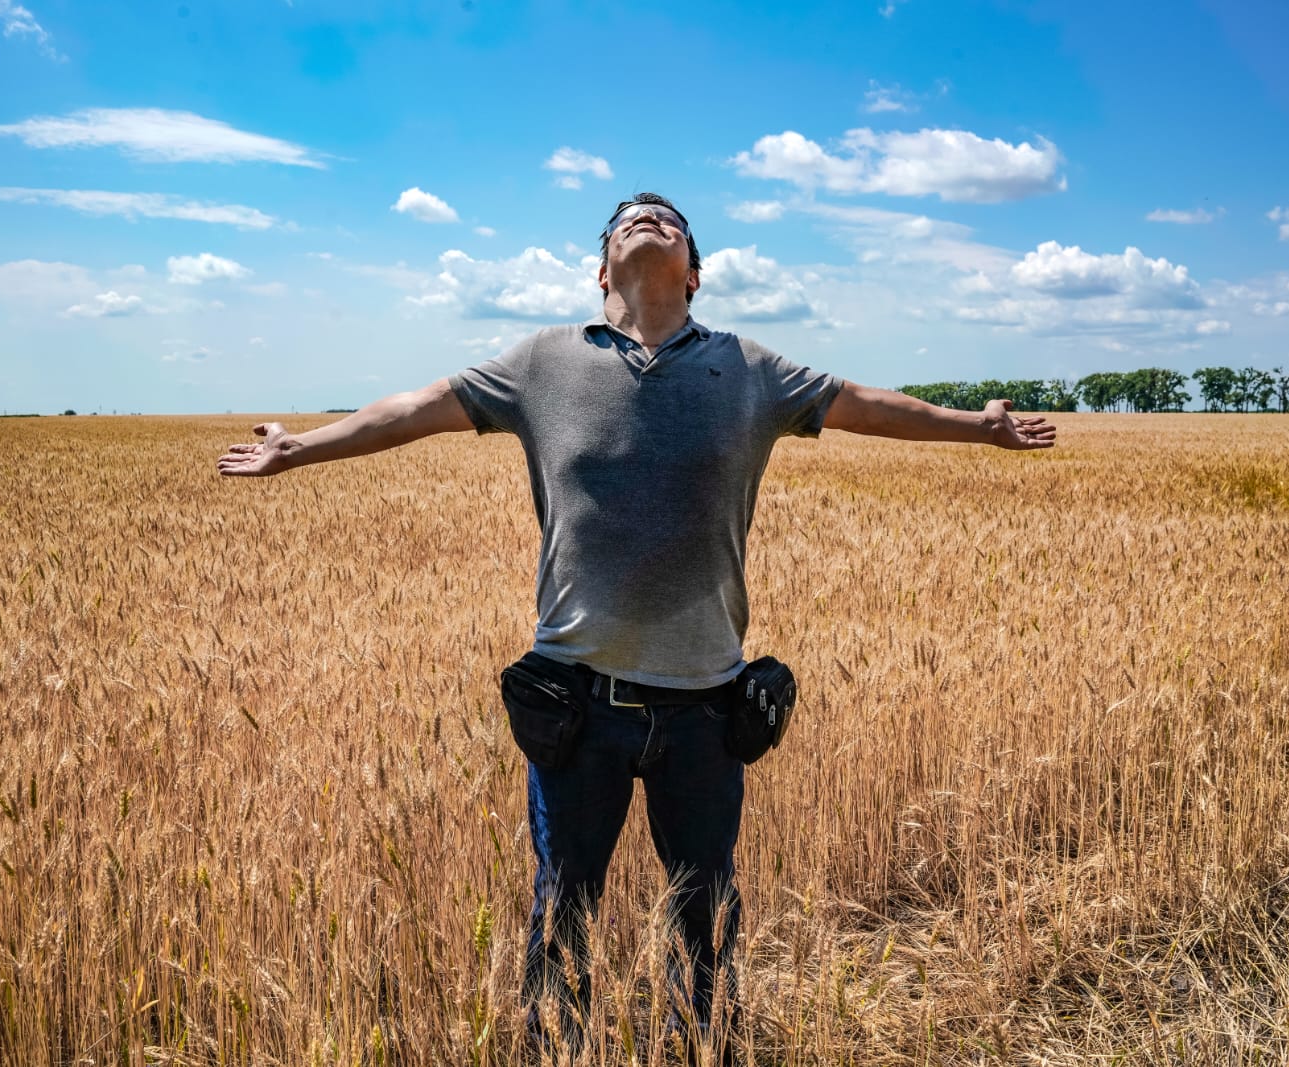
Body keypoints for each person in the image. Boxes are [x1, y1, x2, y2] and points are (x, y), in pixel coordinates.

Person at [217, 192, 1055, 1056]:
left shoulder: (748, 368)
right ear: (600, 266)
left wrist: (977, 428)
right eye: (627, 216)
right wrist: (301, 446)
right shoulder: (542, 363)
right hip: (577, 707)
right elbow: (415, 407)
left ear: (694, 272)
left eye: (668, 217)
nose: (646, 216)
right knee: (562, 916)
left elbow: (867, 405)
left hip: (706, 709)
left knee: (708, 922)